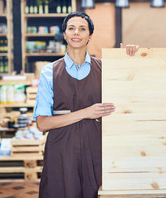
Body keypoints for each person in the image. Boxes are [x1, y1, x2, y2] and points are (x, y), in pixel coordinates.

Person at [33, 11, 139, 198]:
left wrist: (129, 60)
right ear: (64, 34)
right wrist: (86, 112)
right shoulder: (49, 72)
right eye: (71, 28)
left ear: (90, 36)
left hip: (97, 146)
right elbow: (42, 123)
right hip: (61, 150)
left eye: (82, 29)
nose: (76, 33)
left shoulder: (106, 67)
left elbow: (131, 94)